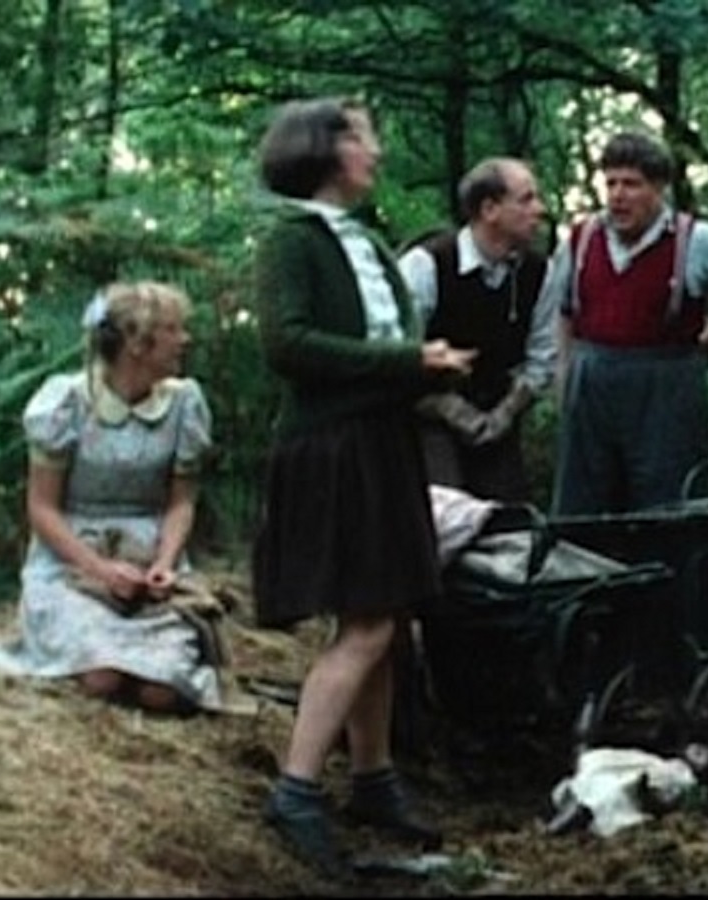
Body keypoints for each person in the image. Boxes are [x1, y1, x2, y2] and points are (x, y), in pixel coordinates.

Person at [249, 96, 476, 877]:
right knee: (368, 626)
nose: (375, 153)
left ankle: (374, 779)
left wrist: (423, 362)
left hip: (383, 444)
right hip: (331, 447)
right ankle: (298, 787)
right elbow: (289, 345)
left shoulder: (370, 244)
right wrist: (412, 364)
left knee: (388, 616)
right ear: (327, 149)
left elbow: (387, 342)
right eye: (365, 139)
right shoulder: (291, 240)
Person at [0, 280, 234, 715]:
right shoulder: (67, 402)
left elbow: (181, 501)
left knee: (161, 691)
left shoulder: (183, 404)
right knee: (102, 679)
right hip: (72, 564)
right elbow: (42, 509)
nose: (185, 339)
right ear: (137, 343)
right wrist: (100, 569)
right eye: (173, 329)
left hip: (150, 557)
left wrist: (163, 564)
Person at [546, 130, 708, 515]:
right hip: (592, 381)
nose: (617, 194)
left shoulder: (695, 241)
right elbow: (562, 312)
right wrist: (565, 382)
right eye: (611, 183)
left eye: (631, 184)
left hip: (667, 385)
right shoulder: (581, 240)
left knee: (666, 503)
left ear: (659, 188)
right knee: (584, 505)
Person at [399, 157, 556, 502]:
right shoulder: (426, 265)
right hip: (426, 421)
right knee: (444, 518)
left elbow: (543, 357)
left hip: (498, 420)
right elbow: (391, 353)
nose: (539, 210)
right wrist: (448, 408)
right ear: (490, 209)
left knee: (508, 525)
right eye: (526, 199)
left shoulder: (540, 272)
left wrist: (505, 414)